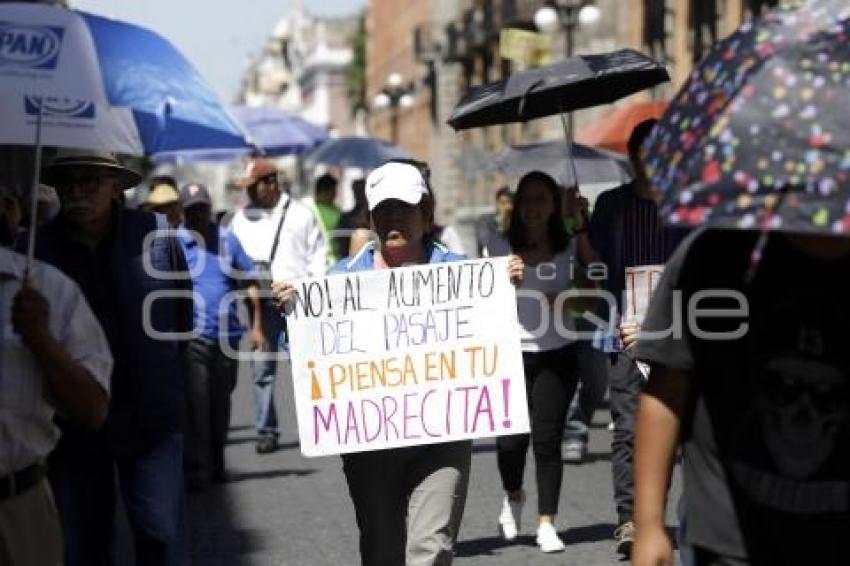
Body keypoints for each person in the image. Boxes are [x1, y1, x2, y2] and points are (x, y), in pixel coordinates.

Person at [274, 161, 523, 565]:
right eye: (383, 209)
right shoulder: (339, 281)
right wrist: (293, 315)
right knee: (381, 549)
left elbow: (496, 336)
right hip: (371, 442)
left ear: (425, 215)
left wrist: (506, 287)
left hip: (443, 437)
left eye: (403, 207)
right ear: (370, 217)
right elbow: (304, 355)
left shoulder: (463, 274)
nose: (393, 217)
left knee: (433, 547)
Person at [632, 228, 850, 566]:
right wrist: (648, 526)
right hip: (728, 535)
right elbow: (666, 393)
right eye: (786, 388)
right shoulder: (713, 254)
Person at [35, 150, 193, 566]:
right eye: (68, 182)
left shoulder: (154, 236)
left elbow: (181, 317)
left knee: (162, 537)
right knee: (81, 544)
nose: (78, 191)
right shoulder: (36, 248)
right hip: (72, 421)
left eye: (90, 181)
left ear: (115, 188)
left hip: (150, 416)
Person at [588, 119, 688, 557]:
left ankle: (677, 512)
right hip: (623, 333)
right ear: (632, 160)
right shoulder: (611, 205)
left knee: (682, 426)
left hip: (679, 331)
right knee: (628, 429)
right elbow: (593, 266)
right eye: (644, 154)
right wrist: (579, 230)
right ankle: (631, 520)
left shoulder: (685, 205)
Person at [0, 182, 112, 566]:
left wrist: (40, 340)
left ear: (10, 209)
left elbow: (93, 410)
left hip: (20, 510)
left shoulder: (47, 289)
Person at [487, 171, 596, 553]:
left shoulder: (568, 247)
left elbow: (595, 282)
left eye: (543, 200)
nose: (535, 207)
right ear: (518, 206)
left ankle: (547, 522)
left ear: (554, 206)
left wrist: (582, 227)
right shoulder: (499, 246)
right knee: (510, 442)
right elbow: (479, 300)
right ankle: (514, 494)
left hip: (558, 354)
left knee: (547, 440)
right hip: (512, 355)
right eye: (528, 199)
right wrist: (504, 280)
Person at [230, 158, 326, 454]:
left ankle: (320, 427)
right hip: (259, 304)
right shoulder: (240, 218)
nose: (249, 193)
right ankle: (266, 431)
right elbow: (235, 260)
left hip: (298, 303)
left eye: (253, 187)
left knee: (308, 368)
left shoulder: (300, 214)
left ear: (271, 183)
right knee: (262, 369)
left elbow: (318, 254)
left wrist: (308, 289)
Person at [178, 183, 263, 490]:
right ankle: (199, 468)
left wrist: (256, 326)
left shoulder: (228, 241)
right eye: (191, 210)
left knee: (220, 405)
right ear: (183, 213)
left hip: (227, 339)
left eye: (201, 208)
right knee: (197, 407)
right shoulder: (176, 243)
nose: (197, 215)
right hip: (193, 339)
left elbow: (251, 280)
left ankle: (216, 461)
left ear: (209, 208)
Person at [562, 185, 609, 464]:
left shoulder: (592, 222)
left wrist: (580, 228)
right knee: (560, 382)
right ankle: (571, 435)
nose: (568, 196)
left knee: (595, 380)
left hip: (590, 312)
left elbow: (594, 263)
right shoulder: (546, 224)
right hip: (554, 314)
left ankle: (576, 429)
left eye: (572, 190)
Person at [307, 173, 341, 267]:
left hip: (335, 260)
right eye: (333, 191)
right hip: (321, 261)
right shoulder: (310, 211)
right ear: (323, 191)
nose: (335, 194)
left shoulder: (337, 211)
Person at [335, 178, 369, 259]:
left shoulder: (373, 216)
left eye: (361, 191)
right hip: (349, 260)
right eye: (357, 191)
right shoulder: (345, 218)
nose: (359, 194)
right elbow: (340, 241)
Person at [476, 186, 513, 257]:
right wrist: (502, 222)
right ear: (496, 203)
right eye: (503, 203)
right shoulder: (485, 221)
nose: (507, 207)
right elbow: (485, 242)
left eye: (510, 203)